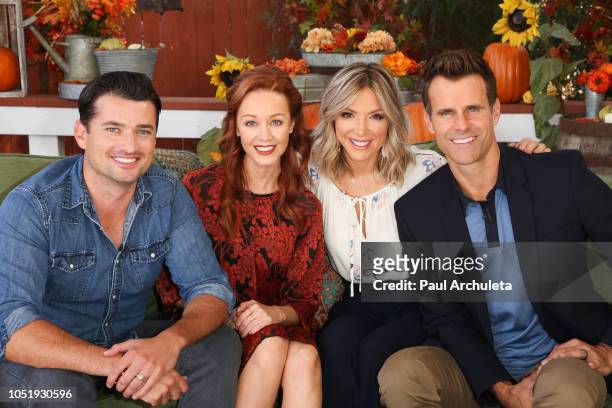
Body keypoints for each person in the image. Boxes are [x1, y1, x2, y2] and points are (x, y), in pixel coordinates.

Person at [380, 49, 612, 408]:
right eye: (446, 113)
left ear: (495, 111)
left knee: (566, 390)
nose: (461, 125)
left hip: (563, 357)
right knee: (402, 373)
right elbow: (444, 317)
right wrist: (502, 389)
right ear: (429, 121)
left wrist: (608, 348)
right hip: (478, 372)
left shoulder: (558, 176)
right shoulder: (416, 211)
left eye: (472, 109)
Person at [310, 62, 549, 408]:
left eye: (375, 116)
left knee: (375, 352)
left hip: (421, 298)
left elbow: (478, 160)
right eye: (348, 114)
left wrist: (527, 156)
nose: (360, 129)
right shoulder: (315, 176)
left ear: (391, 119)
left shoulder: (424, 169)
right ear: (332, 118)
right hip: (360, 298)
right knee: (336, 341)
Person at [0, 71, 241, 407]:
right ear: (82, 134)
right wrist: (127, 368)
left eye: (143, 131)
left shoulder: (167, 193)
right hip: (41, 367)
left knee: (220, 343)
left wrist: (169, 343)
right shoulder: (33, 205)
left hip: (127, 340)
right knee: (60, 391)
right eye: (113, 129)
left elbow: (209, 287)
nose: (130, 146)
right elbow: (14, 329)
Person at [181, 65, 325, 408]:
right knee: (272, 344)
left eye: (275, 122)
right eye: (251, 123)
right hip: (212, 325)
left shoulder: (306, 206)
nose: (264, 136)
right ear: (235, 127)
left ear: (291, 125)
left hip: (277, 323)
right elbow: (173, 285)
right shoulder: (199, 190)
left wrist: (272, 315)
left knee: (304, 356)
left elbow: (305, 301)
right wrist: (219, 313)